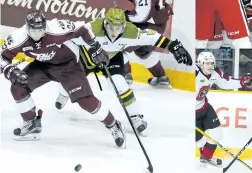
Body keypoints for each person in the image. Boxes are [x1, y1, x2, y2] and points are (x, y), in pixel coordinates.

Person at [54, 8, 192, 135]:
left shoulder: (131, 32)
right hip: (88, 56)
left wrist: (173, 46)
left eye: (118, 27)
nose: (114, 31)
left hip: (112, 58)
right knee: (70, 81)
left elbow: (152, 36)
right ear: (104, 23)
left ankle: (135, 117)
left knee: (120, 84)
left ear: (124, 26)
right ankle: (63, 93)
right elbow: (69, 36)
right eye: (111, 27)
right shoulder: (92, 29)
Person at [0, 11, 125, 146]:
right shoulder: (17, 38)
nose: (37, 35)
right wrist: (10, 70)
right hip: (44, 65)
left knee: (86, 101)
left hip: (69, 65)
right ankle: (31, 124)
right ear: (27, 28)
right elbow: (2, 57)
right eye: (33, 31)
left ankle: (113, 124)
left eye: (40, 30)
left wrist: (95, 47)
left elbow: (83, 28)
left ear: (45, 26)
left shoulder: (56, 28)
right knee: (18, 87)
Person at [196, 51, 252, 167]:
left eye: (211, 63)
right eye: (206, 63)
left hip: (204, 107)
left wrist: (243, 82)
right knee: (200, 142)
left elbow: (226, 83)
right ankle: (202, 151)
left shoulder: (215, 73)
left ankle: (206, 157)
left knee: (216, 133)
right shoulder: (194, 73)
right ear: (200, 63)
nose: (210, 66)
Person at [123, 0, 174, 86]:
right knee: (143, 50)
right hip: (157, 23)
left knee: (117, 44)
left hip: (145, 23)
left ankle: (123, 77)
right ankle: (160, 76)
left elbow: (137, 13)